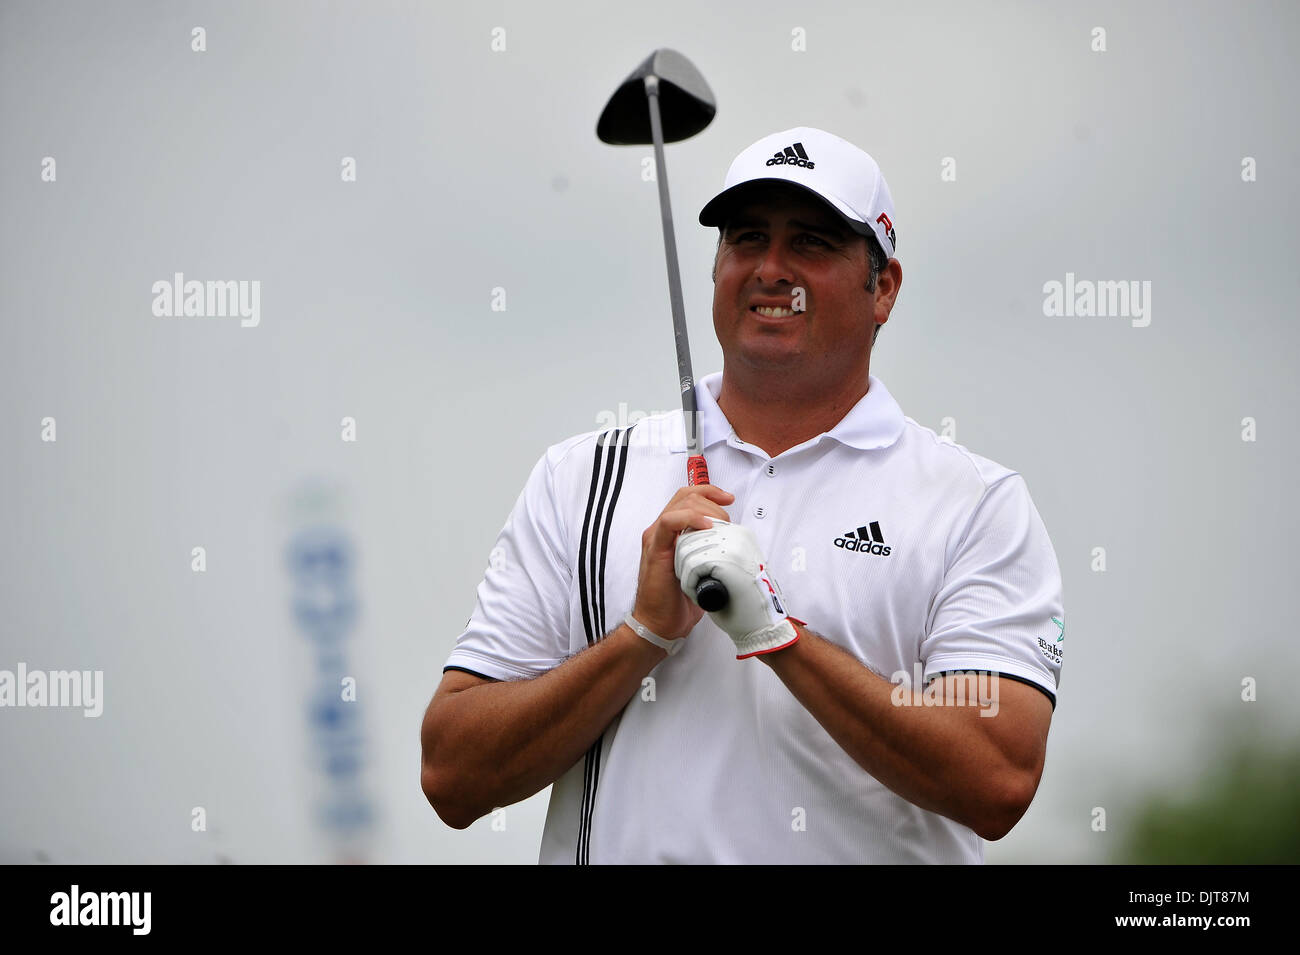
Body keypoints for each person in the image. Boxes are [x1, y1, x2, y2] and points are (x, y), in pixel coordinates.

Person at [421, 126, 1064, 864]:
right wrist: (641, 635)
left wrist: (776, 634)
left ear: (882, 287)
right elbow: (452, 773)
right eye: (746, 238)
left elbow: (999, 776)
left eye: (813, 244)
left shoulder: (973, 503)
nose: (770, 268)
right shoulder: (583, 477)